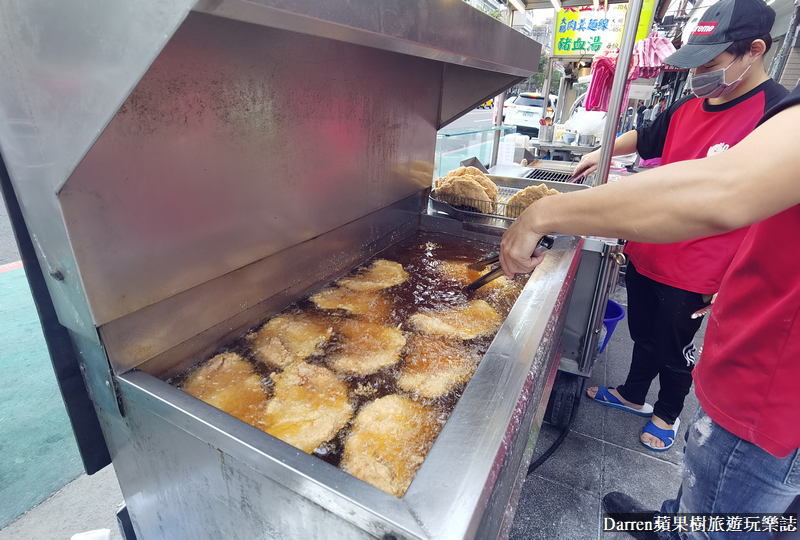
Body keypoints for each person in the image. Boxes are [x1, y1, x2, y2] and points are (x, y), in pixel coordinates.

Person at [499, 79, 800, 538]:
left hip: (777, 389)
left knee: (724, 513)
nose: (703, 73)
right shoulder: (690, 106)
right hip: (750, 338)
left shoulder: (774, 105)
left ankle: (689, 522)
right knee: (706, 473)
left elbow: (722, 189)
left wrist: (542, 213)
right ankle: (678, 519)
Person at [571, 0, 788, 452]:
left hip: (699, 270)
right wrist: (602, 151)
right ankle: (633, 394)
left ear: (753, 51)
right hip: (649, 250)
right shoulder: (693, 104)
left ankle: (668, 413)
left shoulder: (779, 116)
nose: (698, 75)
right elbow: (648, 137)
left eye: (709, 63)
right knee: (642, 333)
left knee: (675, 348)